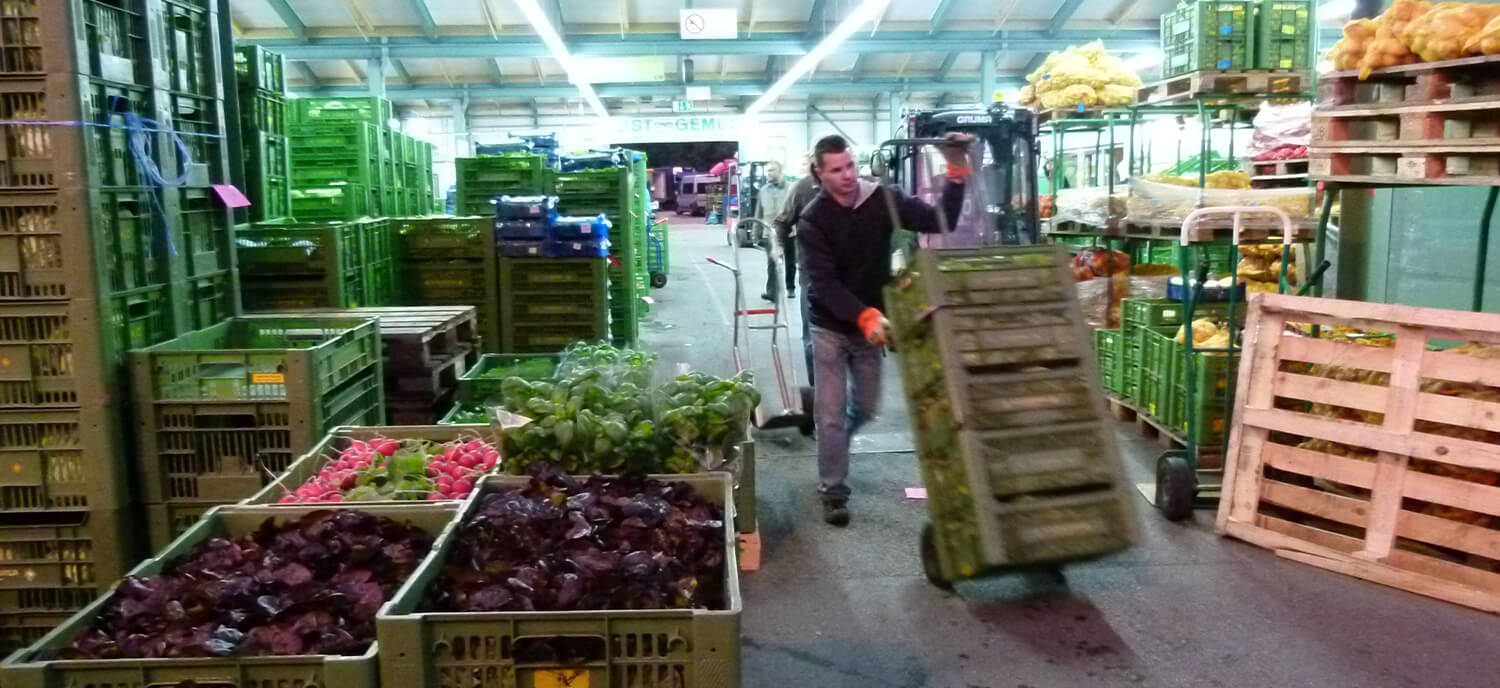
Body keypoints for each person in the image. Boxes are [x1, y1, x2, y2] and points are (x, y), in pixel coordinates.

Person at [798, 133, 972, 526]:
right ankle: (833, 490)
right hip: (829, 326)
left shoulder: (882, 198)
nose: (847, 176)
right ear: (819, 173)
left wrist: (956, 171)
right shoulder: (813, 220)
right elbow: (823, 285)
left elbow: (939, 220)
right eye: (837, 170)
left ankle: (833, 440)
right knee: (831, 413)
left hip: (869, 328)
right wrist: (865, 316)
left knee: (868, 408)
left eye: (850, 165)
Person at [772, 158, 822, 385]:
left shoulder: (853, 187)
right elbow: (782, 221)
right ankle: (819, 392)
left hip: (848, 274)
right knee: (813, 335)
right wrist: (779, 246)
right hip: (812, 273)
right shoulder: (802, 188)